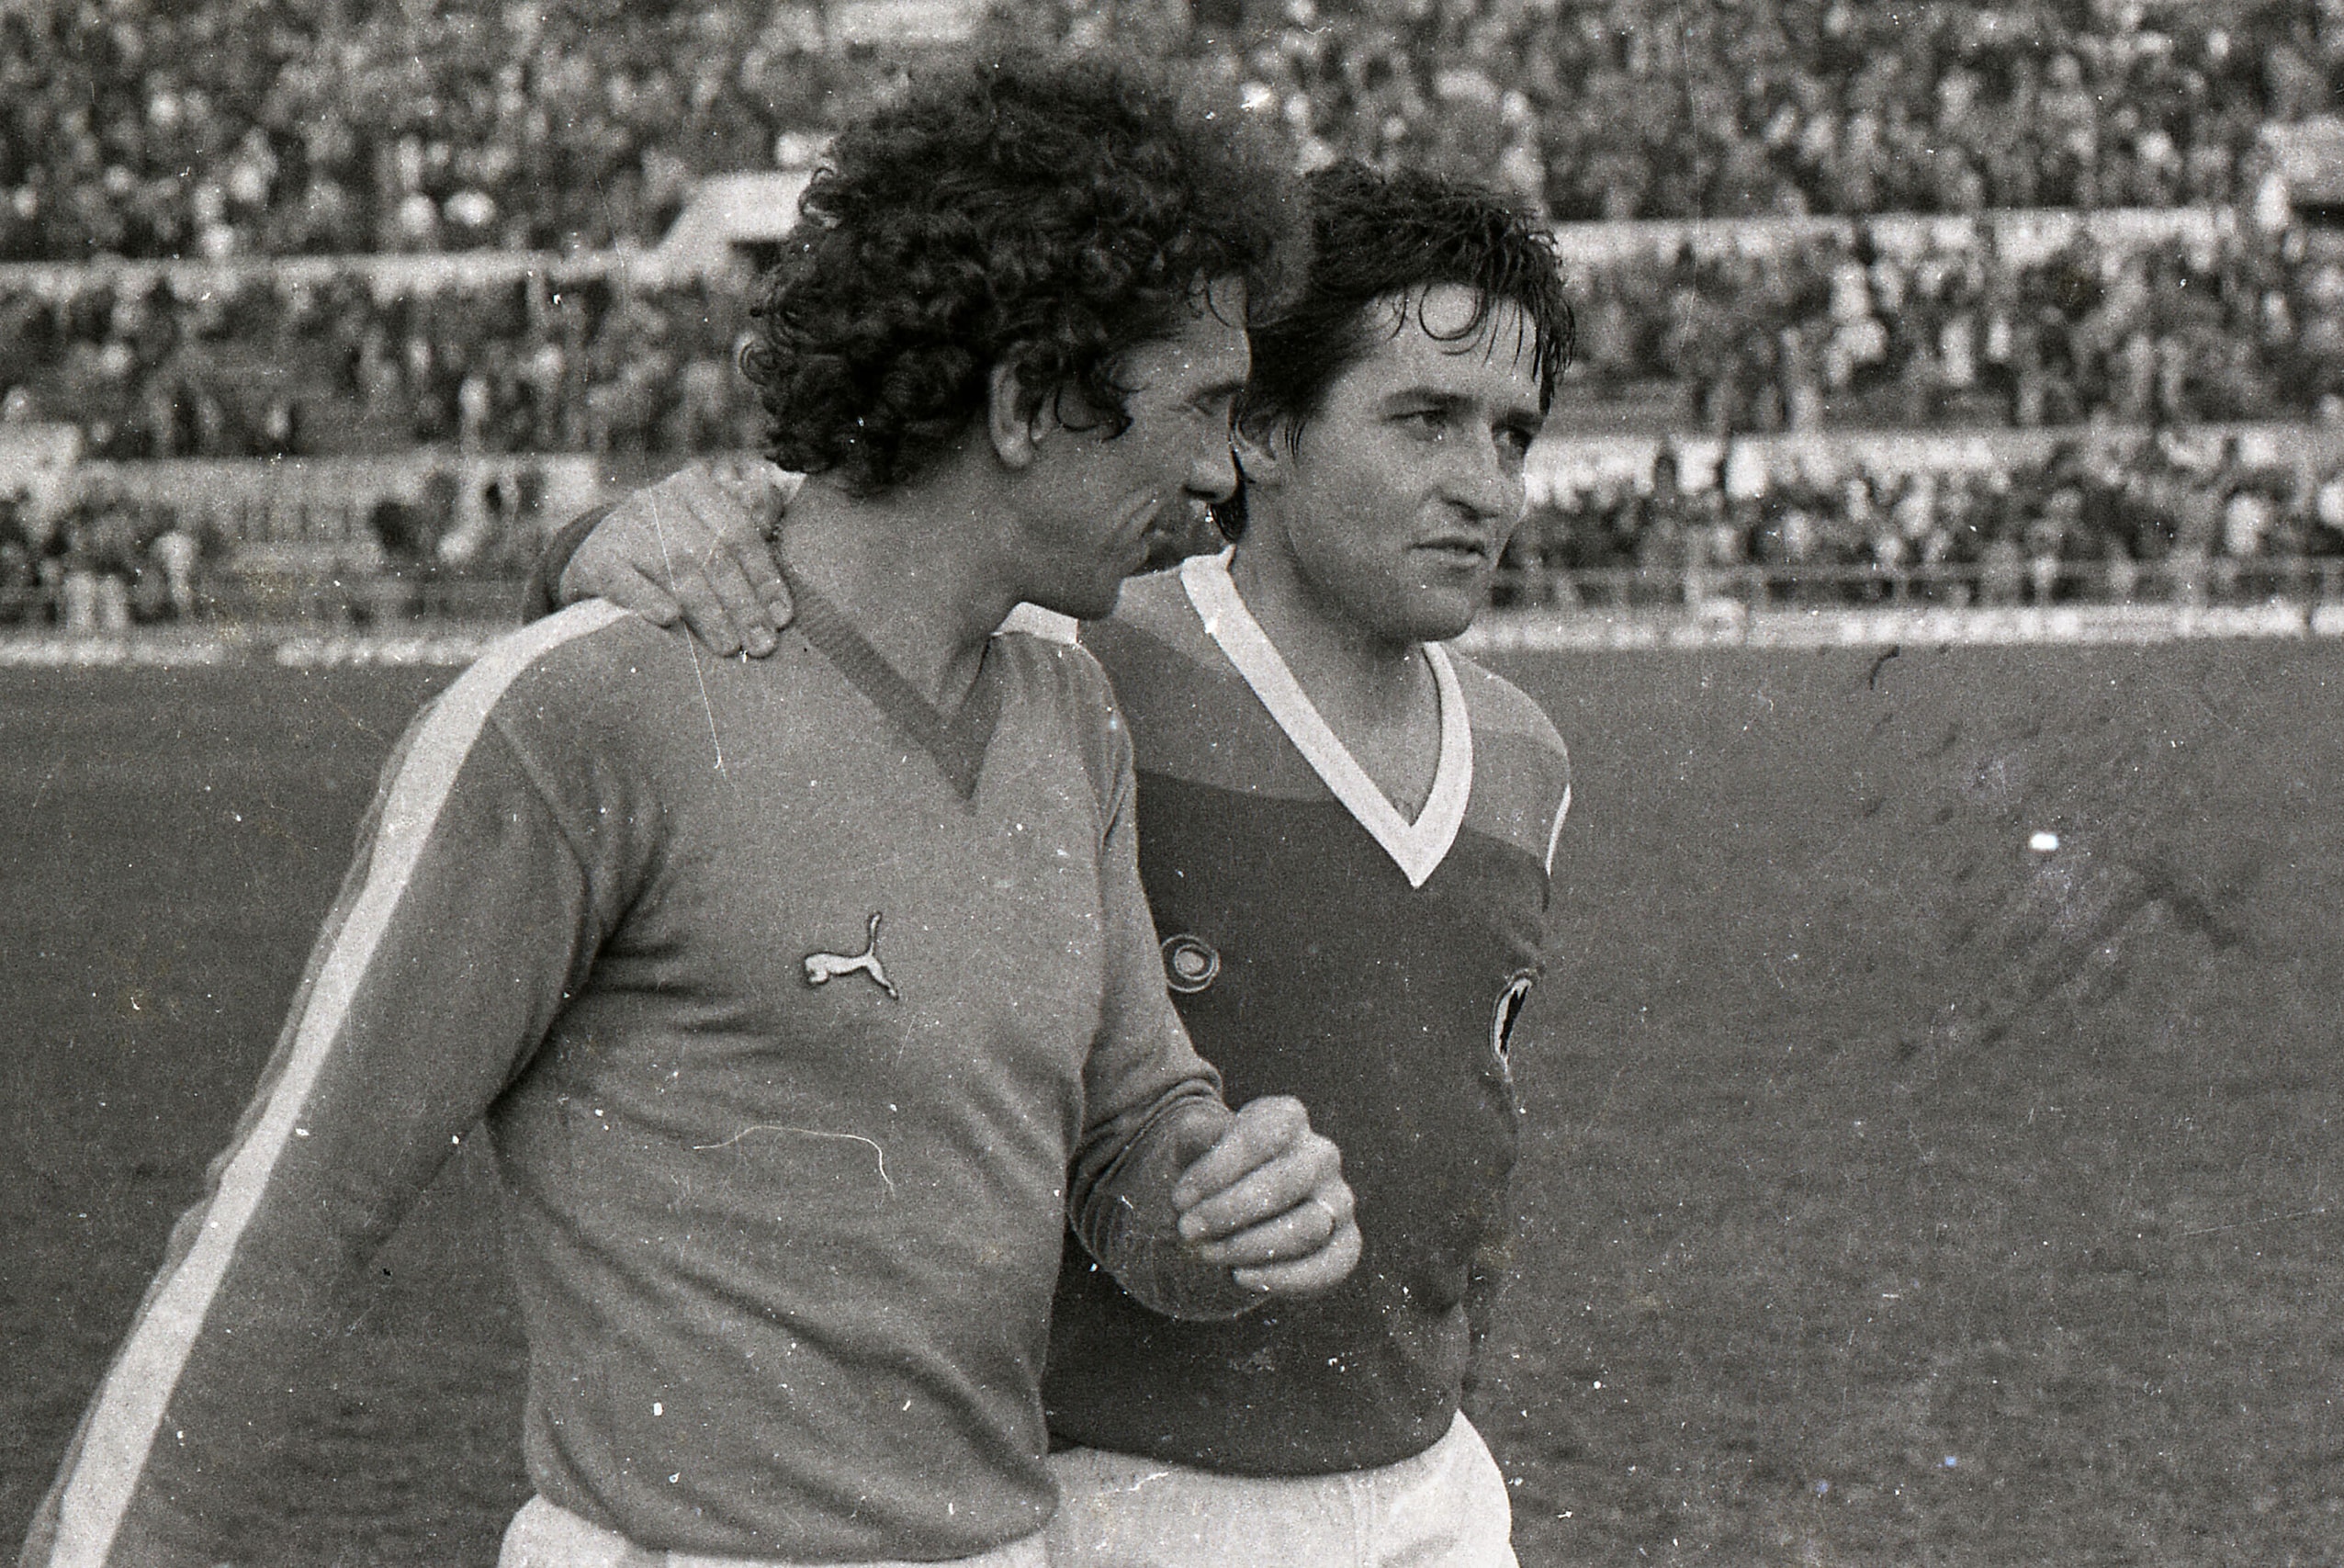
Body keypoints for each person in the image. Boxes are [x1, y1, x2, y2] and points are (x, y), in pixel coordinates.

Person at [23, 57, 1366, 1568]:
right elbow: (291, 1220)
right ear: (1023, 403)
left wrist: (1221, 1203)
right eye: (1201, 408)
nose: (1220, 473)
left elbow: (1129, 1140)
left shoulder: (1071, 718)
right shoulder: (586, 710)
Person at [539, 160, 1575, 1568]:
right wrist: (591, 541)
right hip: (1111, 1487)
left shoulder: (1525, 759)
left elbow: (1458, 1136)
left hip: (1430, 1490)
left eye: (1514, 435)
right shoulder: (1076, 663)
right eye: (1426, 420)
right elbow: (835, 564)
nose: (1485, 486)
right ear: (1261, 430)